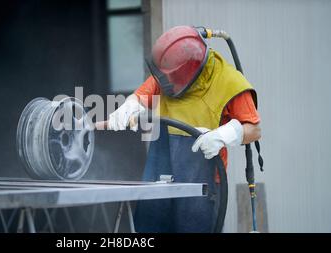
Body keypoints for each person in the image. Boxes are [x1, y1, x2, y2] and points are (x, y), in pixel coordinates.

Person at [107, 26, 261, 232]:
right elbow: (141, 96)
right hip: (160, 170)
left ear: (187, 73)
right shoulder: (169, 72)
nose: (164, 83)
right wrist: (129, 106)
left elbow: (254, 129)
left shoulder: (230, 82)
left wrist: (224, 135)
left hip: (202, 177)